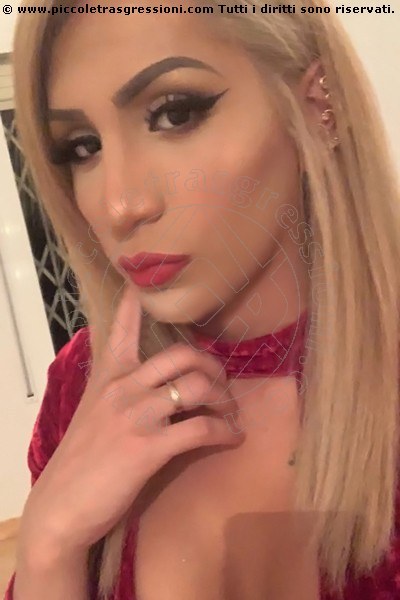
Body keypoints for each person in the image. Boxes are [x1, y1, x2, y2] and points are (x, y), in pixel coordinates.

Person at [4, 0, 400, 597]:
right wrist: (49, 545)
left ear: (318, 105)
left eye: (174, 113)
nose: (121, 206)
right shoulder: (85, 384)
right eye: (83, 147)